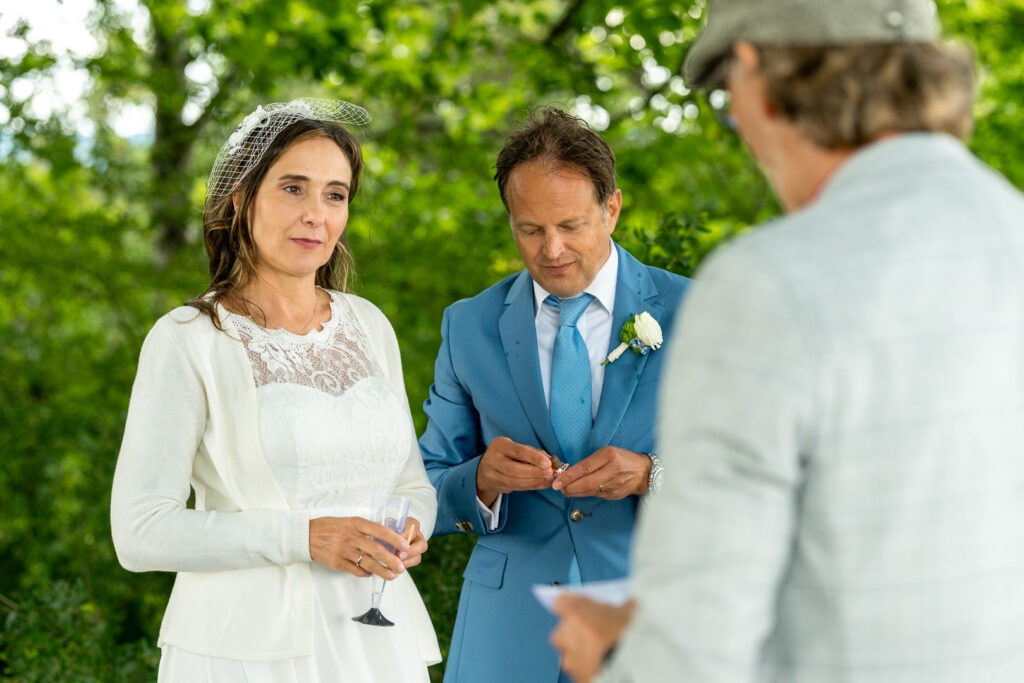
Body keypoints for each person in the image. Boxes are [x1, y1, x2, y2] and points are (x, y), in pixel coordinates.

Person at [551, 0, 1024, 681]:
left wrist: (621, 651)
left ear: (754, 70)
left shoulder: (768, 283)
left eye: (724, 102)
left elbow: (692, 655)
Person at [110, 98, 440, 682]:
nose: (317, 214)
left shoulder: (369, 325)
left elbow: (410, 483)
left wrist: (413, 527)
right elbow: (140, 533)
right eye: (293, 188)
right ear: (242, 199)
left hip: (376, 643)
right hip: (245, 652)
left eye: (335, 194)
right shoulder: (188, 338)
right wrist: (304, 537)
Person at [418, 106, 691, 682]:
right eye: (530, 229)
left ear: (611, 208)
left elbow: (752, 472)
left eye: (571, 226)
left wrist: (650, 475)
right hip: (505, 632)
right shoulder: (468, 326)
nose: (552, 250)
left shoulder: (697, 312)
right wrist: (482, 481)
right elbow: (424, 484)